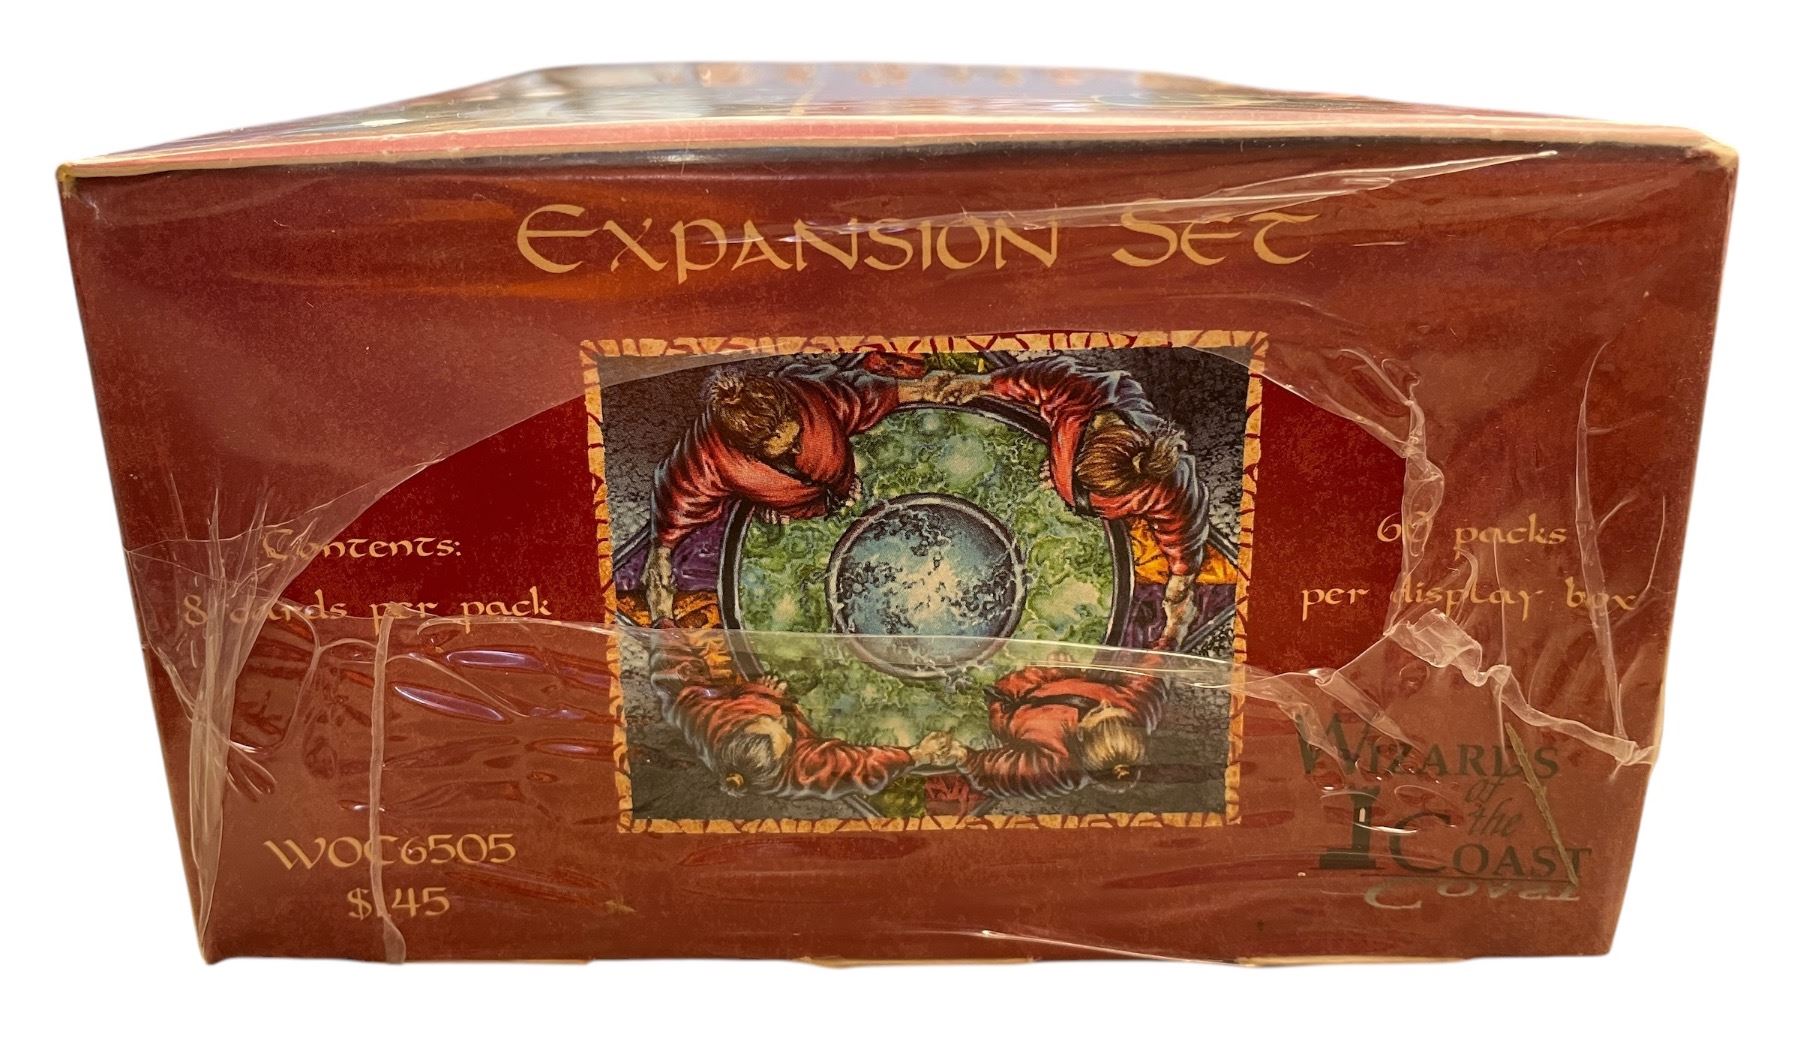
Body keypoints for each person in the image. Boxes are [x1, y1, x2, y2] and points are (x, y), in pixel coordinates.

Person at [939, 356, 1231, 648]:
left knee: (1178, 591)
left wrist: (1179, 588)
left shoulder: (1170, 487)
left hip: (1122, 512)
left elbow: (1183, 540)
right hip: (1070, 454)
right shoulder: (1082, 395)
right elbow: (1037, 379)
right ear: (1094, 432)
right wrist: (983, 384)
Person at [643, 359, 946, 621]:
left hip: (843, 485)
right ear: (752, 449)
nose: (797, 449)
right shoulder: (709, 455)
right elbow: (676, 495)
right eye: (785, 448)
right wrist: (661, 552)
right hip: (792, 510)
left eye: (796, 437)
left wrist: (930, 388)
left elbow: (864, 395)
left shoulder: (809, 396)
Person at [648, 622, 966, 799]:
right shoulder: (802, 770)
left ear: (739, 726)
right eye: (786, 731)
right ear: (789, 755)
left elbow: (672, 675)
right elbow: (857, 766)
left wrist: (764, 694)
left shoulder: (705, 717)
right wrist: (916, 755)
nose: (781, 719)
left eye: (769, 719)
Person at [958, 659, 1164, 800]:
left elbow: (992, 774)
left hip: (984, 711)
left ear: (1080, 734)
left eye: (1096, 712)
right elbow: (1156, 665)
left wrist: (960, 754)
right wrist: (1061, 669)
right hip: (1033, 674)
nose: (1104, 702)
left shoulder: (1056, 770)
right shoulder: (1139, 708)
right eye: (1115, 710)